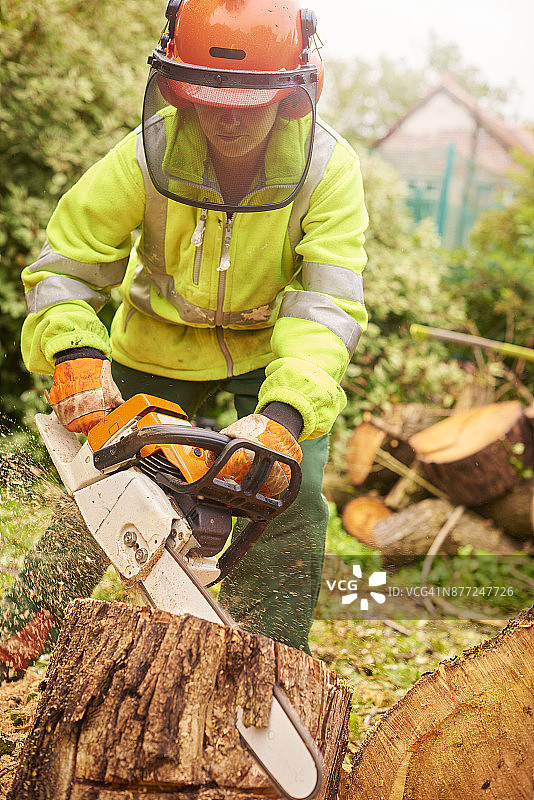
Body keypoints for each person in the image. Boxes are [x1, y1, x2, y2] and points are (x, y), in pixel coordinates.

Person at [0, 0, 368, 679]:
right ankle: (19, 630)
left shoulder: (327, 169)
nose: (228, 116)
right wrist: (76, 351)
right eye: (208, 97)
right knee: (103, 479)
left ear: (292, 97)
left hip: (271, 357)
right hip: (157, 342)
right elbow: (65, 264)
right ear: (175, 85)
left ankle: (274, 660)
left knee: (289, 491)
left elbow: (326, 306)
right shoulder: (151, 149)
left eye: (249, 102)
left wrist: (284, 418)